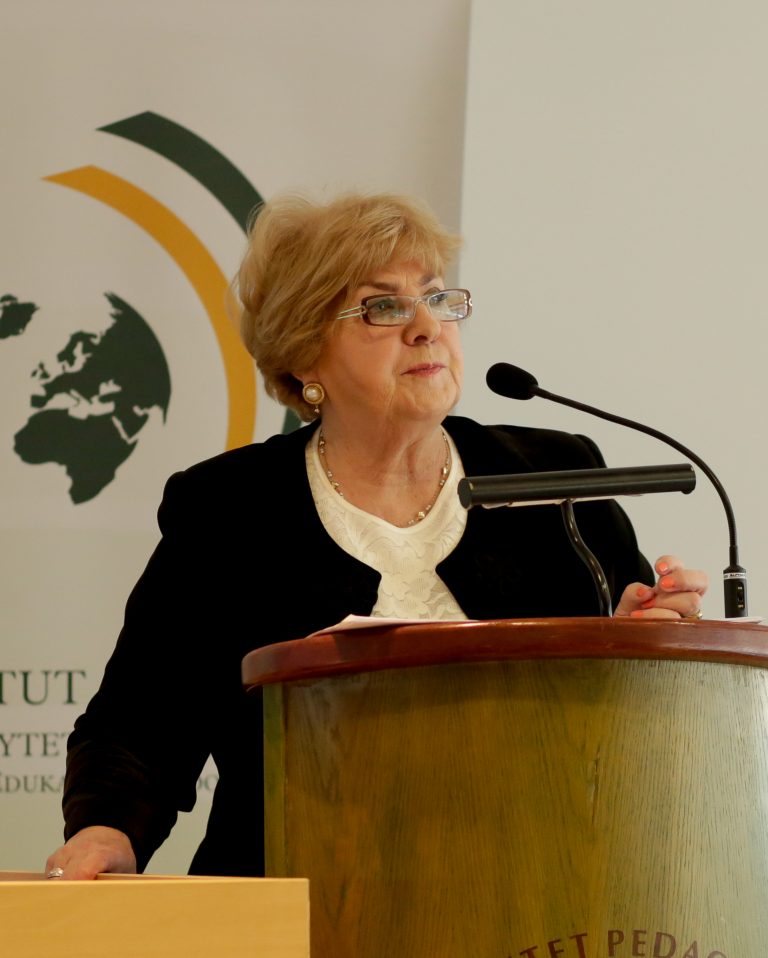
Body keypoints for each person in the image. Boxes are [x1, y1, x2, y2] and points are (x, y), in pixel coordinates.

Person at [45, 191, 708, 880]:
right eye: (382, 307)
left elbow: (623, 732)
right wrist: (106, 829)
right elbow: (140, 721)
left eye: (437, 297)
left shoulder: (553, 476)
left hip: (537, 893)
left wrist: (642, 645)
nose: (426, 327)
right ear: (305, 355)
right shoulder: (231, 509)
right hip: (303, 895)